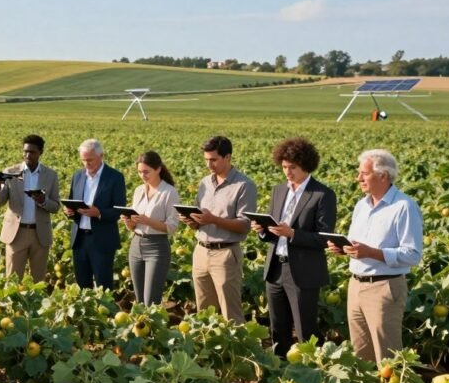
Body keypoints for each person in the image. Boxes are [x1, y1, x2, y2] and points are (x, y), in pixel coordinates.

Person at [328, 149, 423, 363]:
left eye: (364, 173)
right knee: (360, 353)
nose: (358, 178)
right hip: (355, 285)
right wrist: (344, 249)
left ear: (383, 176)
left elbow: (413, 254)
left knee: (387, 356)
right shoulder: (361, 206)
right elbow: (358, 245)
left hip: (384, 288)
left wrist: (372, 253)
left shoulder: (404, 206)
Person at [251, 138, 336, 357]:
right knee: (277, 328)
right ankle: (279, 368)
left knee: (305, 329)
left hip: (302, 271)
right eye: (284, 167)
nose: (287, 172)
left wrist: (293, 234)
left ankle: (313, 369)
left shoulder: (322, 194)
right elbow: (274, 231)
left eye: (293, 167)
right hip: (275, 268)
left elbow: (324, 238)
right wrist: (262, 230)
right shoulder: (279, 191)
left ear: (306, 166)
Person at [181, 136, 257, 322]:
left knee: (231, 313)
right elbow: (199, 221)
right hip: (201, 251)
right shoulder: (205, 183)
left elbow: (245, 225)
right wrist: (191, 220)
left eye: (213, 160)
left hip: (225, 254)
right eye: (206, 160)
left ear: (228, 157)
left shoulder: (244, 185)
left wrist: (213, 219)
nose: (209, 165)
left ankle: (235, 341)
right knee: (204, 312)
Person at [0, 134, 61, 282]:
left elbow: (55, 206)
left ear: (41, 152)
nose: (28, 155)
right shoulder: (10, 172)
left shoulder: (51, 175)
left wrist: (43, 201)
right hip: (16, 234)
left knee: (38, 281)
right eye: (25, 151)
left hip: (40, 235)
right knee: (13, 280)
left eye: (32, 152)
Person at [64, 139, 126, 289]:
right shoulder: (77, 176)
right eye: (83, 160)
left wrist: (98, 213)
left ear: (101, 156)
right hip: (79, 239)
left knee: (104, 286)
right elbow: (72, 201)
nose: (86, 164)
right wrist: (70, 212)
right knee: (82, 285)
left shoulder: (115, 177)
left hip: (102, 240)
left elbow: (119, 210)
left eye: (90, 160)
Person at [122, 151, 180, 305]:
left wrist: (147, 220)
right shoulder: (138, 190)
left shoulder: (169, 192)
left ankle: (153, 321)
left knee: (151, 301)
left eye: (146, 172)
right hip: (136, 245)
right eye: (140, 172)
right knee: (139, 301)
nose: (143, 175)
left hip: (157, 247)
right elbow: (134, 227)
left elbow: (172, 227)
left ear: (158, 169)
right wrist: (129, 222)